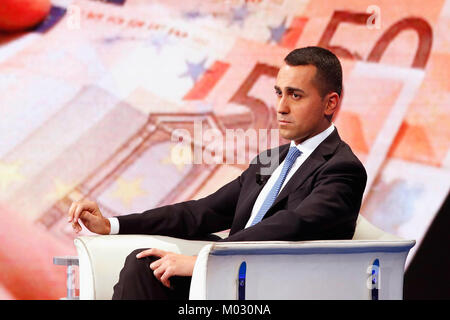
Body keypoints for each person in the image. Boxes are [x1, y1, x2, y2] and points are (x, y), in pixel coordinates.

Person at [67, 46, 367, 300]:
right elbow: (201, 212)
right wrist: (112, 224)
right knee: (144, 263)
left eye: (296, 96)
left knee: (147, 269)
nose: (281, 107)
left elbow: (293, 225)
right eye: (279, 93)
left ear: (330, 103)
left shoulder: (342, 168)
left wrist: (204, 260)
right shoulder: (271, 160)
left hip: (269, 288)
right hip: (227, 282)